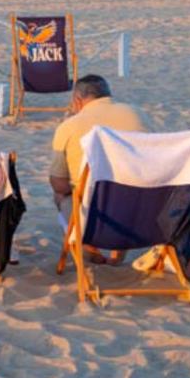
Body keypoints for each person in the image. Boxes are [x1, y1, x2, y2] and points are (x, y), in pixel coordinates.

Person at [48, 75, 146, 264]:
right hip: (142, 212)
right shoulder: (137, 113)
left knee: (61, 194)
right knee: (127, 187)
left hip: (96, 217)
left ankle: (87, 245)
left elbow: (59, 184)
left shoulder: (69, 126)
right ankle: (118, 252)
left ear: (77, 100)